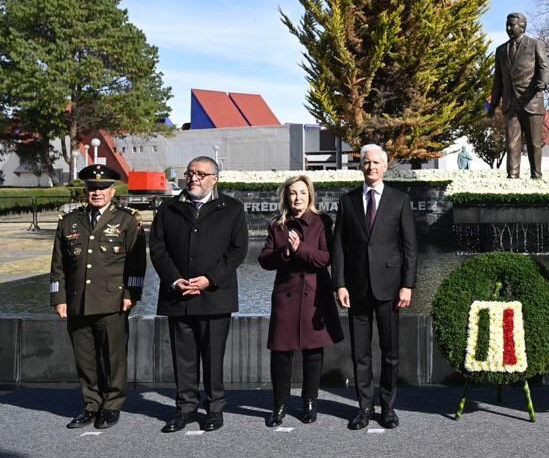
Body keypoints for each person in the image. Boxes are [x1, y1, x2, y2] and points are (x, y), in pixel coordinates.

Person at [150, 156, 248, 433]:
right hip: (178, 294)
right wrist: (174, 279)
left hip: (215, 296)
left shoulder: (231, 208)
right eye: (190, 173)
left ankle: (215, 409)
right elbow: (158, 248)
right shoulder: (168, 208)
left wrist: (210, 279)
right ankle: (185, 409)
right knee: (183, 358)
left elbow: (237, 250)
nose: (193, 178)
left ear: (214, 179)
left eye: (200, 174)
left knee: (213, 357)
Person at [50, 164, 146, 429]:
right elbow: (58, 265)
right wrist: (59, 299)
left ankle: (112, 405)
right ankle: (91, 404)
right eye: (92, 188)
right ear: (86, 190)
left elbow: (136, 263)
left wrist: (131, 293)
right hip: (77, 301)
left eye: (103, 188)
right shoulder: (70, 221)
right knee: (84, 358)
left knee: (114, 357)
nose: (97, 192)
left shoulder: (127, 220)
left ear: (112, 191)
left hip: (111, 301)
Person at [333, 144, 417, 429]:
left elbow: (410, 248)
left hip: (390, 289)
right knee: (361, 353)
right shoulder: (347, 201)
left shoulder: (400, 200)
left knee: (390, 353)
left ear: (385, 166)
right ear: (361, 166)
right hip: (356, 289)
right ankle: (364, 408)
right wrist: (339, 284)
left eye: (376, 163)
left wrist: (407, 285)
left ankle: (388, 408)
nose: (371, 167)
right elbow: (339, 248)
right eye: (366, 163)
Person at [258, 175, 342, 427]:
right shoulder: (277, 224)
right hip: (286, 295)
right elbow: (264, 260)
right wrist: (285, 252)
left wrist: (301, 249)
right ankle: (279, 405)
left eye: (303, 193)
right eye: (293, 193)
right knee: (281, 354)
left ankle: (309, 402)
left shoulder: (321, 222)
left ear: (310, 195)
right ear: (286, 196)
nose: (298, 198)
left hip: (315, 294)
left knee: (313, 352)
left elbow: (326, 258)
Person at [489, 12, 549, 179]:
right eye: (507, 25)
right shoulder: (501, 50)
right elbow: (498, 80)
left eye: (511, 25)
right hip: (510, 103)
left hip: (532, 101)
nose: (508, 28)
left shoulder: (535, 44)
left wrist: (542, 83)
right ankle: (512, 178)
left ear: (522, 26)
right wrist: (493, 104)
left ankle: (536, 176)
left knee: (534, 143)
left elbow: (544, 67)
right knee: (511, 143)